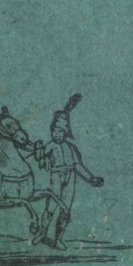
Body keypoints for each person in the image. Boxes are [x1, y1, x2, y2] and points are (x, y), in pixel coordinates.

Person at [32, 94, 103, 249]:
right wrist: (38, 149)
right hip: (56, 175)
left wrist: (91, 178)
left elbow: (78, 165)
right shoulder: (51, 145)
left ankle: (58, 238)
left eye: (59, 131)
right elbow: (39, 157)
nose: (56, 134)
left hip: (70, 177)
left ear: (65, 132)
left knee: (66, 209)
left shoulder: (71, 147)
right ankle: (42, 233)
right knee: (52, 206)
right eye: (53, 131)